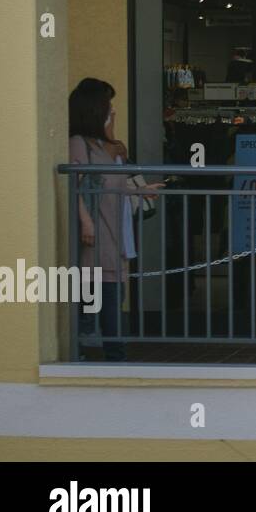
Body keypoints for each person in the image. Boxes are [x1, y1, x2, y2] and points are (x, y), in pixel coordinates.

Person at [68, 78, 162, 362]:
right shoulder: (79, 144)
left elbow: (113, 183)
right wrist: (86, 222)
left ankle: (109, 353)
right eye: (108, 105)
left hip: (114, 232)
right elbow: (75, 186)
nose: (113, 110)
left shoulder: (102, 144)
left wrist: (141, 190)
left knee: (112, 291)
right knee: (100, 293)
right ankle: (102, 353)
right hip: (97, 232)